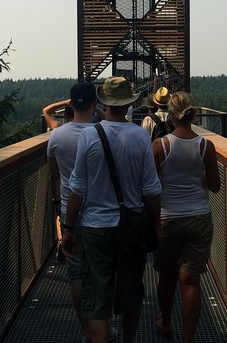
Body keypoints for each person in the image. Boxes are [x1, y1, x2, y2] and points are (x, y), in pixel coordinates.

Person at [62, 76, 162, 343]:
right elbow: (151, 190)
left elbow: (77, 189)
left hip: (95, 228)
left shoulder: (89, 136)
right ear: (130, 102)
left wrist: (69, 228)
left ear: (103, 102)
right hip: (131, 228)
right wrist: (156, 226)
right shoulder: (141, 136)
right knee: (131, 294)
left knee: (97, 301)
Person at [47, 82, 116, 343]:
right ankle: (103, 328)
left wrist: (57, 204)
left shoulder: (57, 136)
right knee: (101, 275)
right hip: (101, 213)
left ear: (71, 104)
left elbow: (54, 176)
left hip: (69, 214)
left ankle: (86, 329)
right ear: (93, 104)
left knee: (76, 272)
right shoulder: (105, 133)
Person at [151, 91, 221, 342]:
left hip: (168, 217)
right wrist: (199, 176)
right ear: (192, 113)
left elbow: (151, 187)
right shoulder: (206, 146)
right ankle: (188, 337)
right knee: (191, 282)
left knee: (167, 274)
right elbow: (215, 186)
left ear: (171, 114)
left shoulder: (160, 145)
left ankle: (166, 320)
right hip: (199, 217)